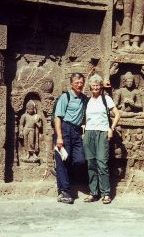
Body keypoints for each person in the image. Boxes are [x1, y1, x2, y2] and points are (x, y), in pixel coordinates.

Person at [83, 74, 120, 204]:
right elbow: (85, 118)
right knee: (91, 163)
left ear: (101, 86)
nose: (95, 87)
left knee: (102, 163)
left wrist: (111, 129)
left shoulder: (106, 99)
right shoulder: (87, 100)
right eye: (93, 85)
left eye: (97, 85)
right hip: (89, 133)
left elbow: (117, 114)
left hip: (103, 132)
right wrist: (84, 130)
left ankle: (106, 193)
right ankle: (93, 193)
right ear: (90, 87)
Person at [54, 72, 88, 204]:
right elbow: (58, 117)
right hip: (65, 129)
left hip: (77, 131)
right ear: (71, 84)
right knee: (63, 160)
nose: (79, 84)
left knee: (80, 159)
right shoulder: (65, 97)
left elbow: (97, 96)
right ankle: (64, 192)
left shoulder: (84, 98)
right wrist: (59, 137)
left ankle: (59, 171)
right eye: (77, 82)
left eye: (81, 82)